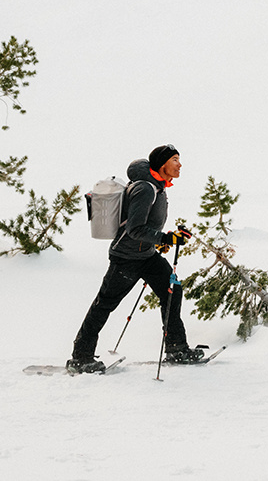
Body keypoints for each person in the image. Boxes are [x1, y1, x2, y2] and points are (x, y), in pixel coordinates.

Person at [68, 144, 204, 372]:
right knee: (105, 305)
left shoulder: (159, 186)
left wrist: (166, 239)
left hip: (146, 256)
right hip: (127, 258)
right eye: (175, 160)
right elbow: (134, 229)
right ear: (162, 165)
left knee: (172, 290)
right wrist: (165, 238)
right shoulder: (146, 189)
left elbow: (147, 227)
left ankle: (177, 348)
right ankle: (81, 357)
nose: (180, 164)